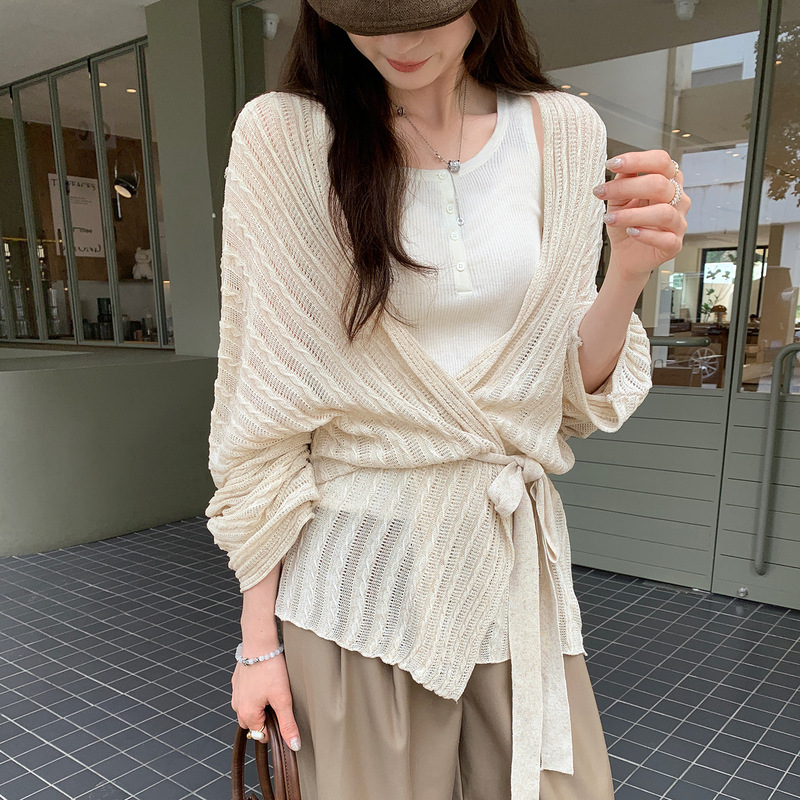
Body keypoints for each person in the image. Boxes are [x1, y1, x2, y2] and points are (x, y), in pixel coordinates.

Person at [204, 1, 690, 798]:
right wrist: (258, 642)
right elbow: (262, 412)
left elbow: (568, 398)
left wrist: (628, 273)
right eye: (368, 13)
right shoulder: (286, 136)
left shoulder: (564, 130)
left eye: (427, 9)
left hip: (512, 582)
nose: (398, 40)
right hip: (358, 594)